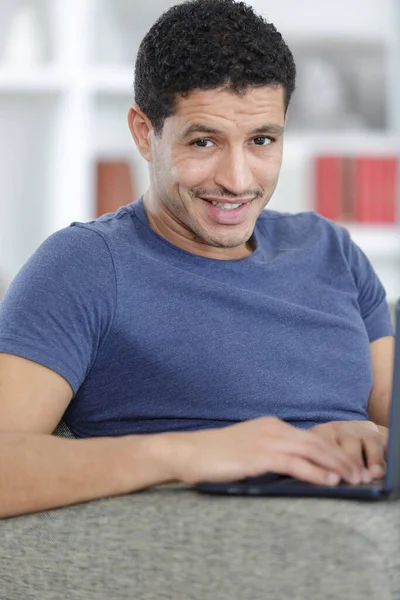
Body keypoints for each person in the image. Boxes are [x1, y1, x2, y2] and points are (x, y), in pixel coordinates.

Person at [0, 0, 395, 518]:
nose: (237, 179)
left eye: (261, 140)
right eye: (204, 141)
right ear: (145, 133)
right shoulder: (85, 266)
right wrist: (188, 451)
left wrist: (375, 437)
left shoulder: (330, 250)